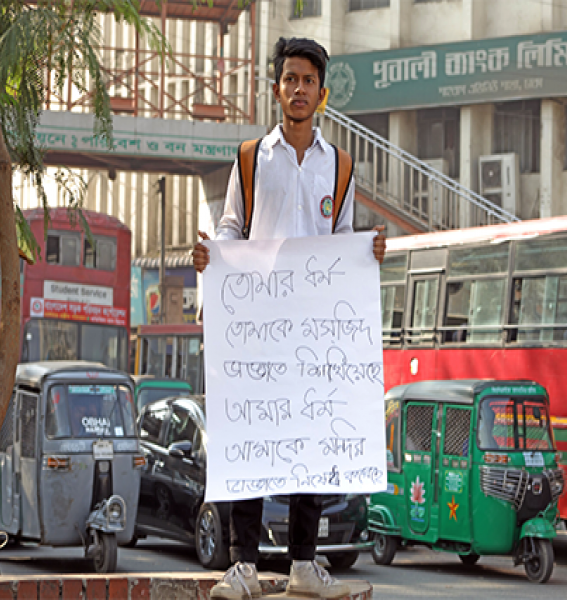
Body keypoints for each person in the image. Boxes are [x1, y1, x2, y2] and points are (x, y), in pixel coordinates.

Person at [192, 36, 386, 600]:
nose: (298, 89)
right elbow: (232, 228)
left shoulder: (341, 166)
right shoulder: (252, 158)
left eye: (308, 81)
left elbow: (342, 242)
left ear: (322, 94)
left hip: (315, 328)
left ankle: (305, 563)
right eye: (290, 79)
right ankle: (243, 566)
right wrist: (212, 253)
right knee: (251, 439)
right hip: (257, 324)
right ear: (276, 89)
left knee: (313, 441)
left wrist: (367, 253)